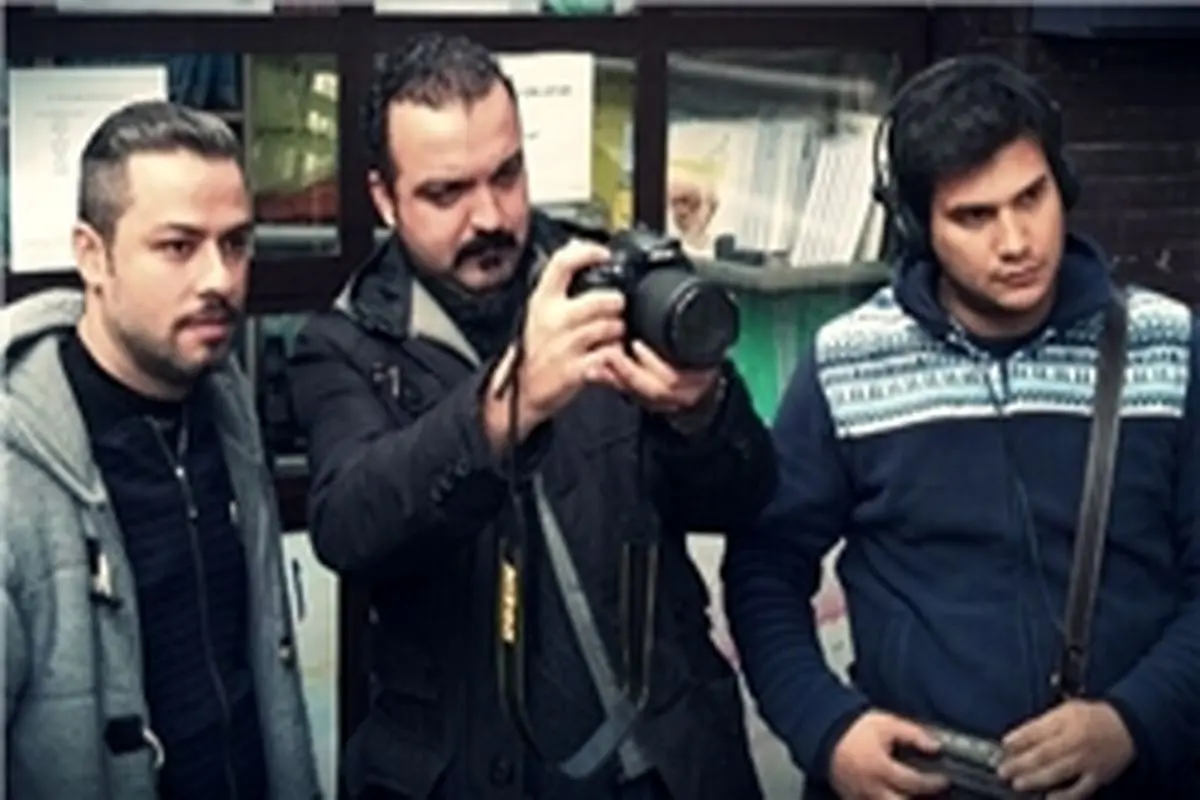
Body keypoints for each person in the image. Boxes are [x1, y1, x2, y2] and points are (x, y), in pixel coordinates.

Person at [288, 33, 776, 800]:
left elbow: (743, 497)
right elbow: (349, 524)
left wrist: (700, 412)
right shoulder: (343, 344)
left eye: (507, 175)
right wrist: (506, 410)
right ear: (384, 198)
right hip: (473, 773)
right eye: (446, 193)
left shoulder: (598, 281)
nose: (489, 216)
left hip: (670, 763)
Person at [722, 54, 1200, 800]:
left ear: (1063, 184)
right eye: (973, 216)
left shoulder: (1166, 348)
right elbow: (764, 571)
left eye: (1031, 197)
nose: (1015, 241)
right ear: (918, 227)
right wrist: (829, 730)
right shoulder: (848, 362)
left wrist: (1134, 720)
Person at [1, 100, 320, 800]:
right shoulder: (17, 470)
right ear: (92, 255)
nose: (219, 279)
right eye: (178, 246)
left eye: (235, 244)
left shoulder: (226, 410)